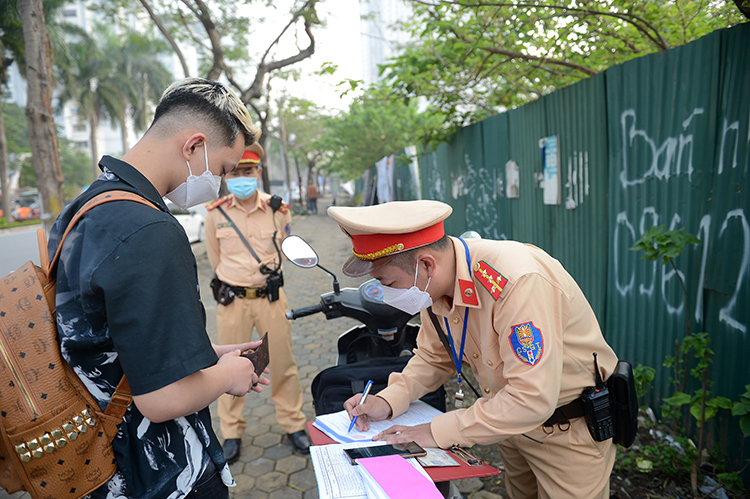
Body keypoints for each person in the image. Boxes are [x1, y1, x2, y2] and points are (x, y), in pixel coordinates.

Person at [47, 77, 270, 499]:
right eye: (222, 169)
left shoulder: (86, 208)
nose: (221, 184)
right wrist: (228, 375)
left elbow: (111, 338)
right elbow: (161, 399)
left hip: (95, 459)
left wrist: (209, 356)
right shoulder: (149, 229)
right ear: (193, 146)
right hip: (154, 474)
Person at [329, 200, 619, 499]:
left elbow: (532, 397)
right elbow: (432, 357)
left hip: (566, 432)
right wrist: (388, 401)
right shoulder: (434, 285)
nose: (386, 294)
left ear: (426, 264)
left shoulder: (517, 282)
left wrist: (436, 431)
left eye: (387, 282)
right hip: (508, 427)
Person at [205, 142, 310, 462]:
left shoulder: (279, 209)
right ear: (226, 175)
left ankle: (293, 423)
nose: (241, 177)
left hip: (270, 299)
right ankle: (232, 432)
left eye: (247, 171)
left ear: (258, 172)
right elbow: (214, 258)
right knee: (228, 367)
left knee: (282, 363)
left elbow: (286, 247)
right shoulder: (216, 213)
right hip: (233, 301)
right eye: (235, 171)